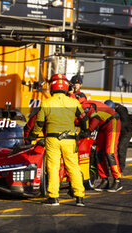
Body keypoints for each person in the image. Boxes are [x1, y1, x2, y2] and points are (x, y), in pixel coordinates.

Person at [28, 74, 88, 207]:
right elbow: (84, 118)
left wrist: (34, 135)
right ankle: (79, 197)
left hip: (52, 139)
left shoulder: (46, 103)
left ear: (52, 87)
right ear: (66, 87)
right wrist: (84, 132)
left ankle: (53, 197)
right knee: (73, 167)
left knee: (53, 168)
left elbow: (39, 122)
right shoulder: (73, 102)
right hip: (70, 139)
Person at [77, 97, 123, 192]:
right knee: (98, 152)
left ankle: (117, 179)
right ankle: (104, 179)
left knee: (109, 152)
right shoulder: (80, 106)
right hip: (103, 125)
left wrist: (88, 131)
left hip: (112, 121)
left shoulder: (84, 105)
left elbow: (96, 118)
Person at [104, 100, 132, 172]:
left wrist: (113, 126)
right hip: (116, 130)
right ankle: (110, 165)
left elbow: (125, 122)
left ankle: (120, 168)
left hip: (127, 131)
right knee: (110, 147)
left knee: (121, 148)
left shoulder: (121, 109)